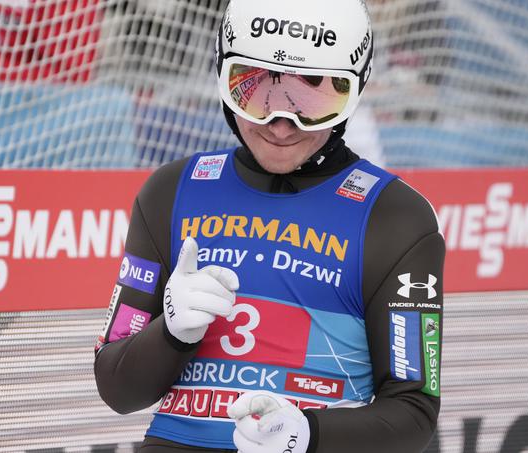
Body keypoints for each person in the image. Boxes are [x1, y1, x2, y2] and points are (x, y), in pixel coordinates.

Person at [94, 0, 445, 452]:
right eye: (256, 91)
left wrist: (308, 436)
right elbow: (117, 389)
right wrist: (171, 333)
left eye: (313, 96)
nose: (282, 125)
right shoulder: (172, 191)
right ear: (223, 78)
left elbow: (414, 411)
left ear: (355, 92)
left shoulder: (395, 217)